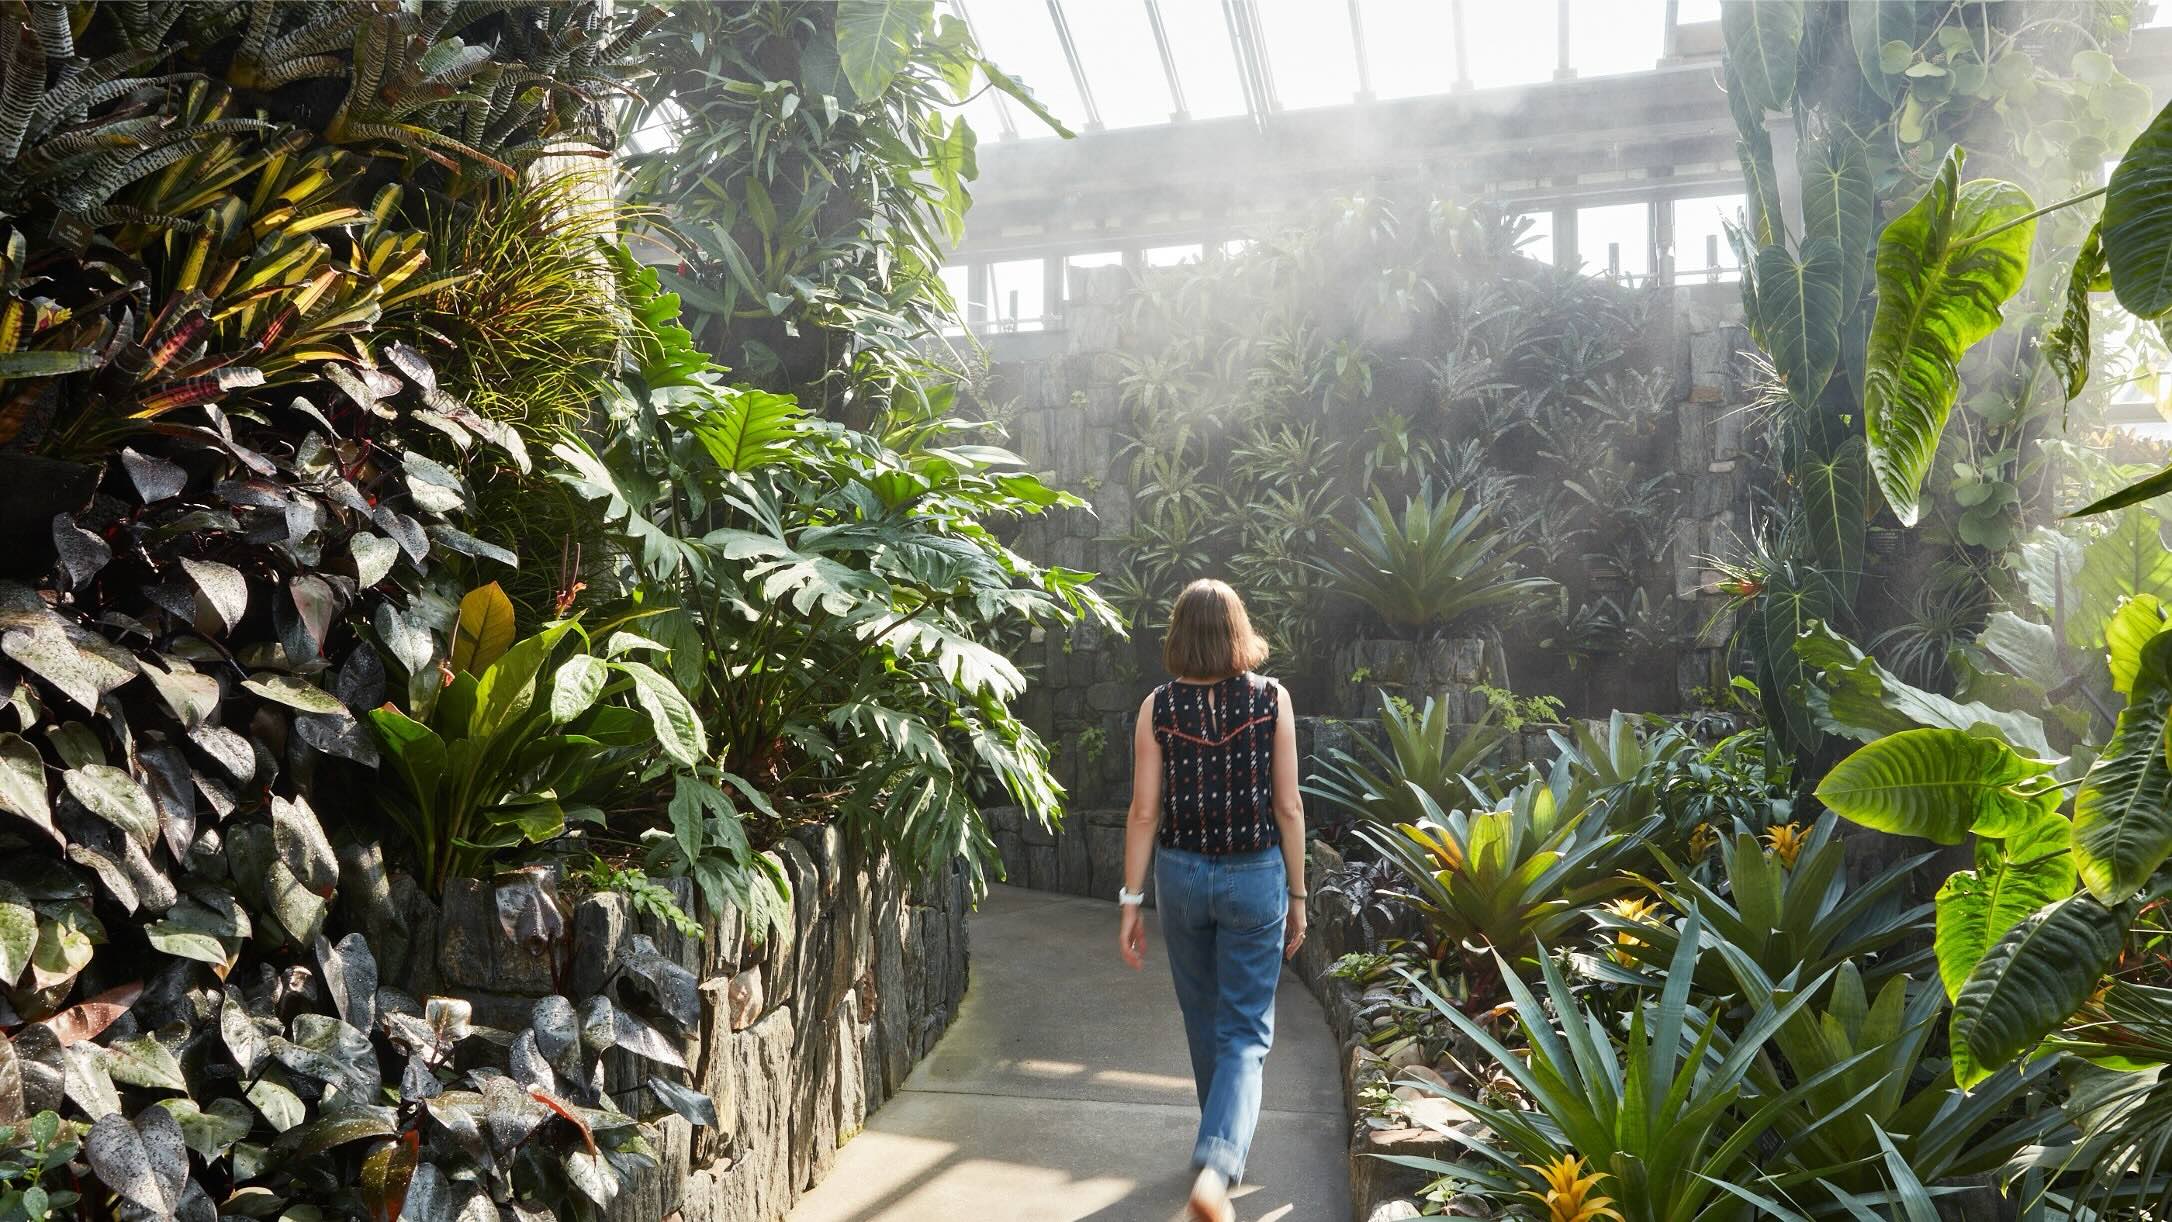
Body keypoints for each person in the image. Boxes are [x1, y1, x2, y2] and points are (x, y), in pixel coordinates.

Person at [1116, 578, 1308, 1222]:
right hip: (1255, 876)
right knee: (1246, 1031)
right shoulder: (1270, 700)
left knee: (1205, 1019)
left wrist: (1130, 901)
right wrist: (1300, 893)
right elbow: (1287, 805)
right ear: (1237, 631)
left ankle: (1216, 1152)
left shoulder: (1157, 707)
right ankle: (1220, 1166)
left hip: (1181, 876)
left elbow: (1144, 812)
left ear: (1178, 635)